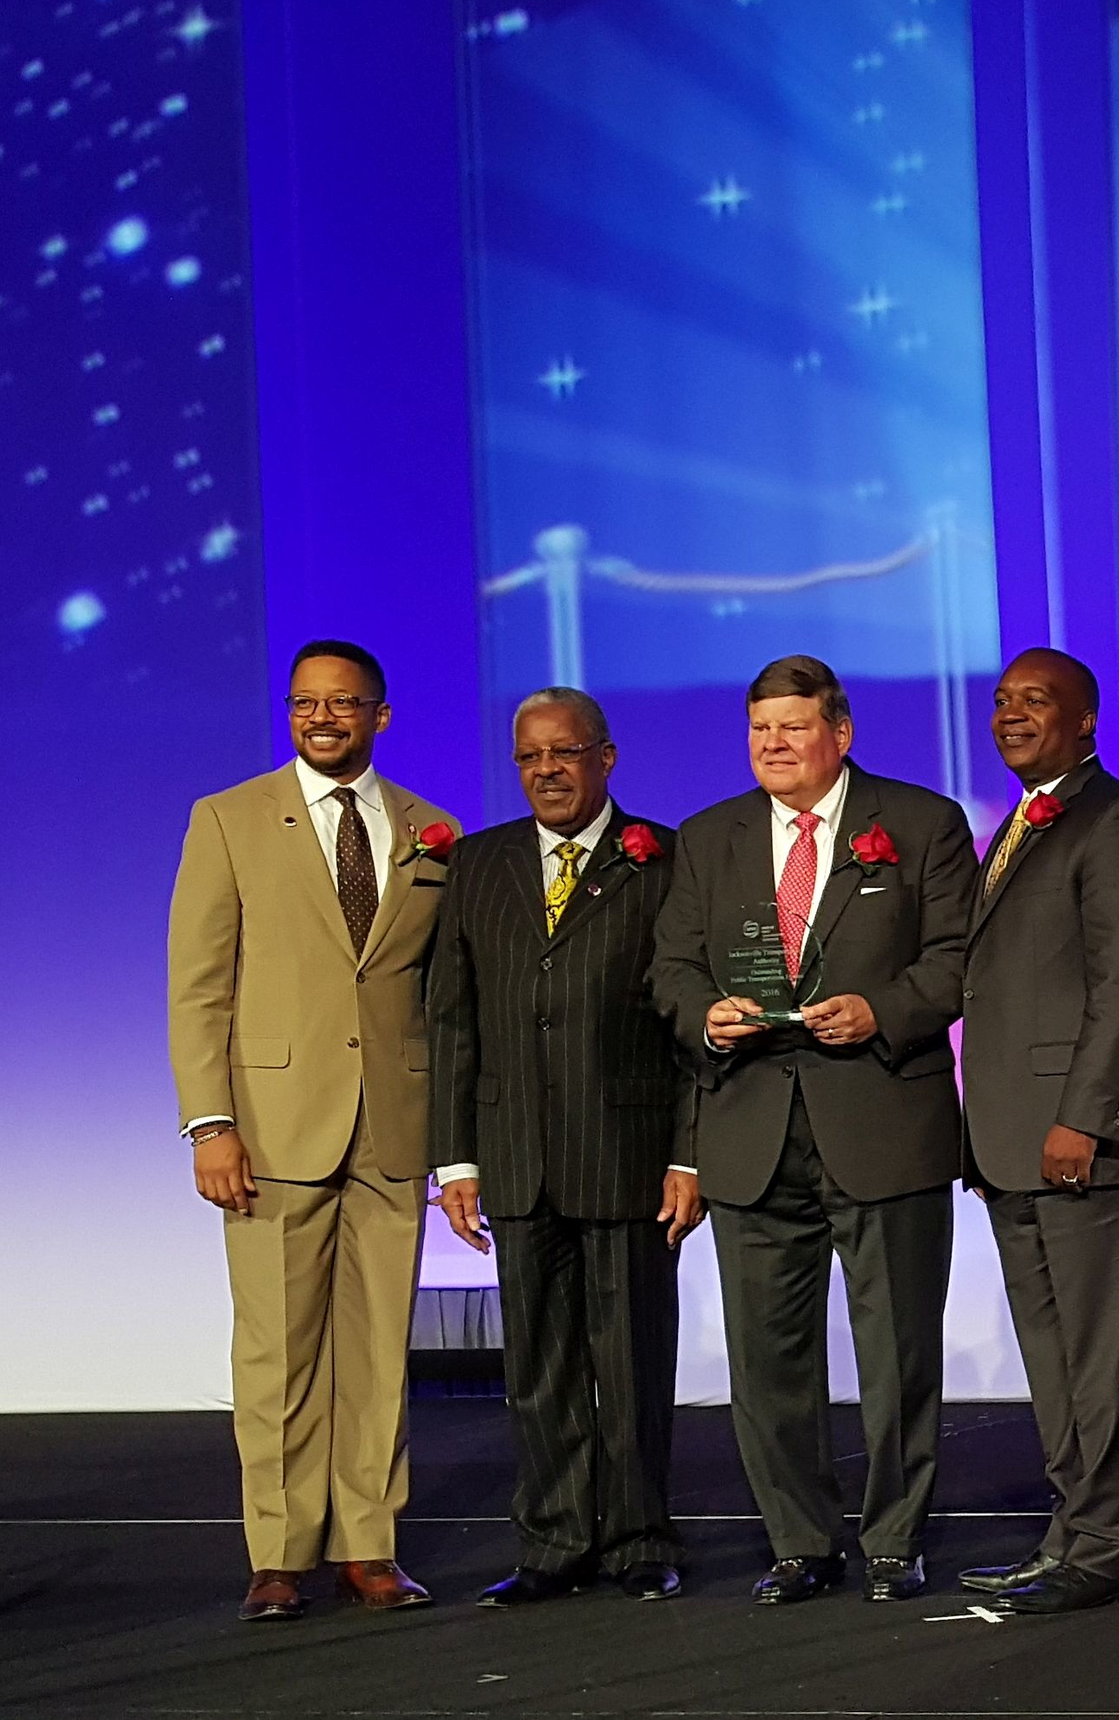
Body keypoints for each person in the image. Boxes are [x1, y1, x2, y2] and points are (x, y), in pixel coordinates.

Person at [648, 655, 976, 1604]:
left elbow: (957, 958)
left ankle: (893, 1539)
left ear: (841, 731)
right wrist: (704, 1012)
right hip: (750, 1127)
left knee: (898, 1350)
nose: (773, 746)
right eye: (760, 731)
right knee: (767, 1358)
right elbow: (670, 967)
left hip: (882, 1117)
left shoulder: (918, 825)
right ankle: (798, 1540)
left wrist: (884, 1009)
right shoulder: (710, 836)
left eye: (793, 728)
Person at [168, 640, 457, 1622]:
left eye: (342, 702)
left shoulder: (427, 829)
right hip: (272, 1129)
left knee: (379, 1358)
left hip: (392, 1126)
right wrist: (212, 1124)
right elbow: (199, 986)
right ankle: (280, 1557)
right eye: (304, 703)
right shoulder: (230, 818)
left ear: (380, 713)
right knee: (278, 1353)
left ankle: (370, 1547)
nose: (321, 717)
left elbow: (435, 993)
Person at [428, 687, 700, 1605]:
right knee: (536, 1364)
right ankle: (551, 1540)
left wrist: (688, 1153)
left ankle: (636, 1539)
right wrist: (455, 1158)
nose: (547, 770)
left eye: (565, 752)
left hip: (626, 1151)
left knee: (629, 1362)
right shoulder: (478, 862)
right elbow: (452, 1020)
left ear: (606, 757)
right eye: (530, 757)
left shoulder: (663, 859)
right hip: (514, 1156)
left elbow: (686, 1025)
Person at [956, 648, 1119, 1615]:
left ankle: (1112, 1543)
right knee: (1052, 1359)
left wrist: (1081, 1118)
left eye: (1035, 700)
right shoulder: (1014, 825)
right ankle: (1072, 1532)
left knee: (1099, 1356)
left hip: (1085, 1140)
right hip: (1010, 1140)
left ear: (1085, 719)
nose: (1012, 713)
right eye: (1003, 700)